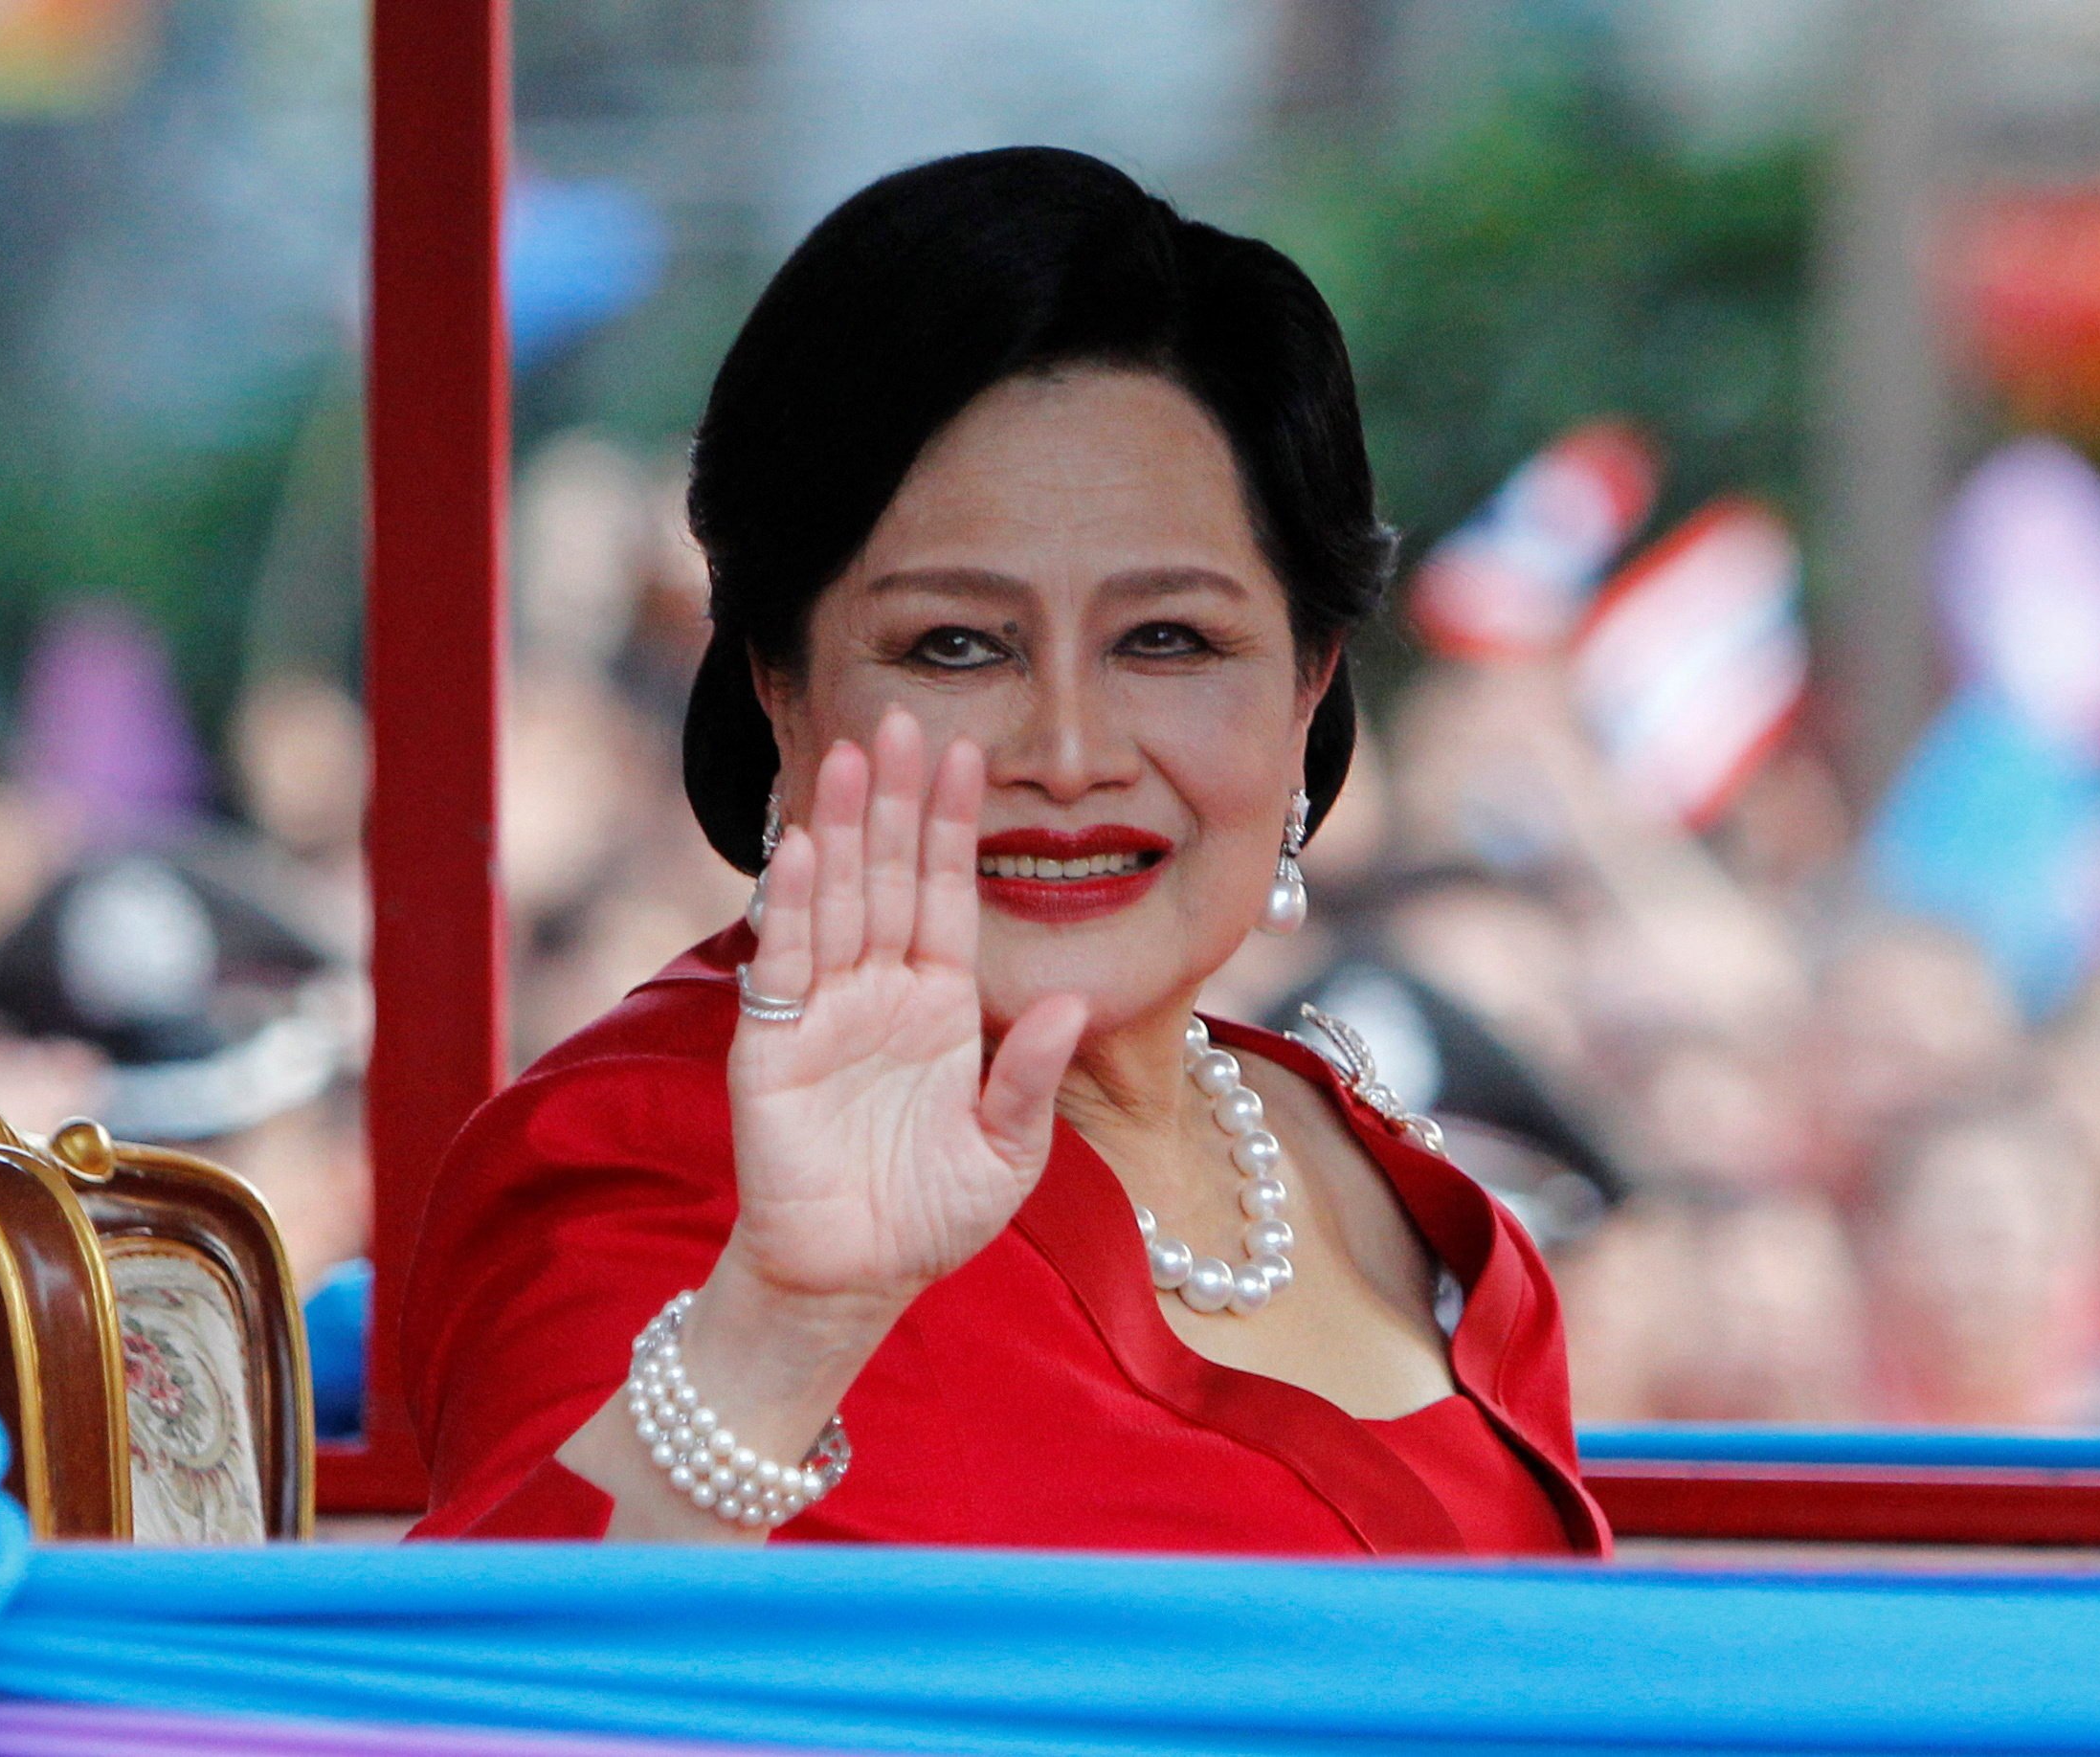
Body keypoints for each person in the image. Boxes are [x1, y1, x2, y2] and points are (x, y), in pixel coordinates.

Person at [401, 147, 1608, 1556]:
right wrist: (783, 1323)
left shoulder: (1408, 1190)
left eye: (1169, 640)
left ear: (1305, 686)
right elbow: (505, 1698)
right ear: (778, 694)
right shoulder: (641, 1157)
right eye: (955, 646)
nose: (1071, 751)